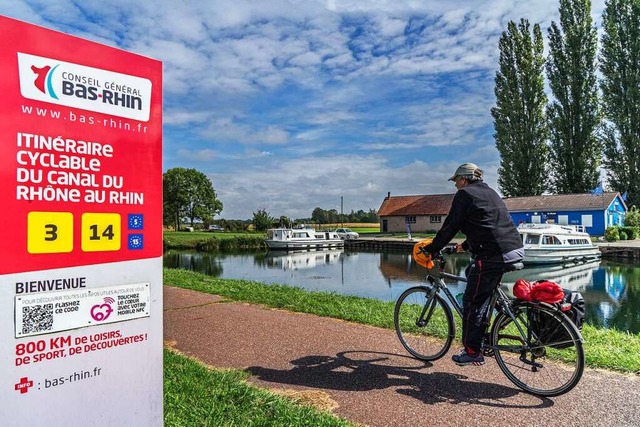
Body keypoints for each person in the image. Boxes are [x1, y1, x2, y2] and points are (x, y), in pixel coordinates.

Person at [422, 163, 524, 366]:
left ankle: (472, 351)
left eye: (457, 181)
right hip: (514, 249)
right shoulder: (491, 193)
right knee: (471, 272)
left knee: (471, 302)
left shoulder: (465, 194)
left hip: (492, 255)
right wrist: (465, 246)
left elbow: (451, 226)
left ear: (464, 178)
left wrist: (433, 249)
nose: (456, 186)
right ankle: (497, 311)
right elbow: (488, 224)